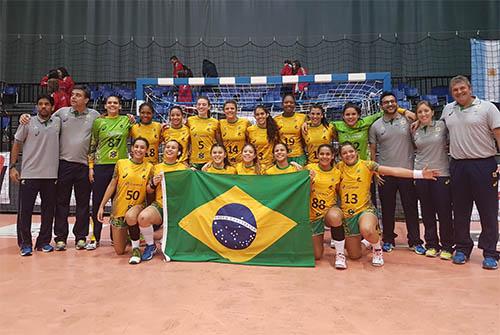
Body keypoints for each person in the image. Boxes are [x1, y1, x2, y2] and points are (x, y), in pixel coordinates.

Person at [328, 142, 439, 269]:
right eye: (344, 153)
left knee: (367, 229)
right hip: (348, 214)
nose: (348, 154)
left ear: (356, 152)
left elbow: (393, 171)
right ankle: (366, 242)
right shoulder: (338, 169)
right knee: (354, 255)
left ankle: (377, 248)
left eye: (351, 151)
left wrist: (419, 174)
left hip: (365, 210)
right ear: (340, 156)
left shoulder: (367, 165)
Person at [441, 75, 500, 269]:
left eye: (462, 88)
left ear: (470, 88)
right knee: (460, 210)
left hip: (484, 164)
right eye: (455, 90)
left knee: (488, 211)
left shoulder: (487, 108)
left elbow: (499, 135)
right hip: (458, 166)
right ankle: (463, 248)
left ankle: (490, 252)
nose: (459, 92)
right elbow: (437, 129)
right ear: (452, 93)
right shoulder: (448, 109)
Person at [369, 92, 424, 254]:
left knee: (411, 208)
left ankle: (415, 241)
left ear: (397, 103)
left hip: (407, 172)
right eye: (386, 102)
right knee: (387, 208)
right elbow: (373, 150)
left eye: (393, 101)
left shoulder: (407, 120)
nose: (390, 104)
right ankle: (388, 239)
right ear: (381, 106)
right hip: (385, 173)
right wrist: (375, 170)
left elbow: (420, 118)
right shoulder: (376, 126)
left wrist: (404, 111)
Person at [10, 95, 60, 256]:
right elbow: (17, 143)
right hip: (29, 174)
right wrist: (12, 166)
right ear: (37, 106)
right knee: (25, 211)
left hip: (51, 176)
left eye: (46, 104)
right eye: (40, 104)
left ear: (52, 107)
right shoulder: (27, 122)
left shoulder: (58, 122)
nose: (43, 107)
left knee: (48, 211)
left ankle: (43, 242)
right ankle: (25, 243)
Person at [97, 137, 153, 264]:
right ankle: (132, 234)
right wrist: (102, 206)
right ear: (132, 148)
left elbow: (150, 189)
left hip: (137, 207)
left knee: (131, 216)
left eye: (142, 147)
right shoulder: (121, 163)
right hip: (119, 209)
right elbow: (112, 185)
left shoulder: (150, 167)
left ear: (146, 150)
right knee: (119, 250)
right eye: (136, 147)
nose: (139, 150)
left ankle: (136, 249)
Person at [87, 95, 132, 250]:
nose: (112, 105)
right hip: (101, 166)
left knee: (118, 204)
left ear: (120, 106)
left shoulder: (127, 120)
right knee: (98, 203)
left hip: (121, 166)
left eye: (115, 103)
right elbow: (92, 145)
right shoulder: (98, 122)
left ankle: (117, 238)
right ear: (105, 106)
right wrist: (91, 167)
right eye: (109, 102)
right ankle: (95, 237)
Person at [411, 101, 454, 260]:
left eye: (426, 111)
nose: (423, 114)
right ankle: (431, 244)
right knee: (427, 212)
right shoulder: (414, 130)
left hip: (441, 174)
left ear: (432, 112)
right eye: (420, 112)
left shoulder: (442, 126)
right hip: (422, 174)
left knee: (444, 212)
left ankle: (448, 246)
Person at [137, 140, 188, 259]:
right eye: (167, 147)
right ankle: (150, 245)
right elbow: (149, 190)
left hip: (177, 208)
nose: (169, 149)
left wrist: (194, 174)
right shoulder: (156, 168)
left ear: (179, 152)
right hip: (160, 205)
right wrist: (154, 183)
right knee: (143, 217)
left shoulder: (184, 169)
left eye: (173, 148)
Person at [304, 144, 341, 260]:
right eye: (322, 154)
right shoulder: (310, 168)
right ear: (317, 155)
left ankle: (340, 254)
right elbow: (302, 190)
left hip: (329, 212)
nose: (324, 157)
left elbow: (340, 192)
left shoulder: (337, 172)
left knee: (335, 216)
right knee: (317, 256)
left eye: (328, 154)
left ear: (332, 156)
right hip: (314, 215)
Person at [187, 96, 221, 169]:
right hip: (194, 159)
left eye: (204, 104)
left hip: (210, 160)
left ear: (209, 107)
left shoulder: (215, 122)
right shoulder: (190, 120)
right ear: (196, 106)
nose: (201, 106)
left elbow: (219, 143)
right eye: (199, 104)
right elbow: (185, 137)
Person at [274, 94, 307, 166]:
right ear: (282, 104)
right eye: (286, 102)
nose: (289, 104)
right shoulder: (276, 120)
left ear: (295, 104)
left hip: (298, 155)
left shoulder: (302, 117)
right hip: (283, 156)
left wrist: (307, 122)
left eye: (291, 102)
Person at [247, 106, 280, 170]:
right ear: (254, 116)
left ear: (267, 115)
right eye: (257, 114)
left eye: (262, 114)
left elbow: (278, 146)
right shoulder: (249, 130)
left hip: (271, 166)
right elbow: (249, 148)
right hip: (255, 166)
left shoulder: (274, 129)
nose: (260, 116)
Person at [219, 100, 251, 164]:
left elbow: (250, 141)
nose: (230, 110)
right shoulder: (220, 123)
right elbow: (219, 142)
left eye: (232, 108)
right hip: (226, 161)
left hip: (242, 161)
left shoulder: (245, 122)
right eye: (227, 109)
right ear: (224, 111)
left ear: (236, 110)